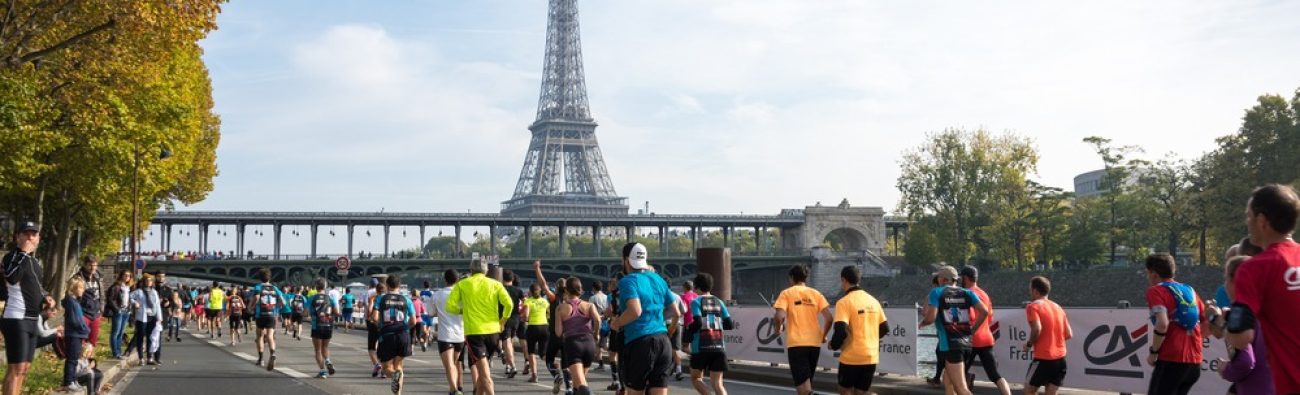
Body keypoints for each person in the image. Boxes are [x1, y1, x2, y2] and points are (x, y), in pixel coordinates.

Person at [1226, 184, 1300, 394]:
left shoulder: (1254, 268)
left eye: (1248, 216)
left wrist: (1224, 325)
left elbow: (1241, 337)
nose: (1247, 223)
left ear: (1262, 221)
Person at [610, 243, 680, 395]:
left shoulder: (628, 281)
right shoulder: (658, 279)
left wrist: (617, 323)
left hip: (639, 342)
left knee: (635, 391)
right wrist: (660, 320)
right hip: (663, 342)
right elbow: (676, 311)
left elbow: (635, 311)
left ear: (626, 260)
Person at [446, 258, 513, 395]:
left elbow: (450, 306)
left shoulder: (463, 284)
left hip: (475, 333)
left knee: (486, 376)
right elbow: (509, 305)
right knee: (483, 372)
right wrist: (502, 321)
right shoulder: (495, 284)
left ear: (471, 270)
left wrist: (462, 311)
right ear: (486, 270)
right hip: (494, 332)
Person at [1144, 253, 1207, 395]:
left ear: (1153, 274)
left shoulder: (1156, 291)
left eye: (1147, 274)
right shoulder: (1189, 290)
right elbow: (1207, 321)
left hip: (1171, 359)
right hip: (1194, 363)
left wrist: (1154, 352)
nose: (1147, 278)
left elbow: (1162, 323)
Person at [2, 221, 53, 395]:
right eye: (26, 234)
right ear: (18, 237)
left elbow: (36, 286)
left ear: (38, 239)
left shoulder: (35, 262)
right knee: (16, 369)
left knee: (24, 369)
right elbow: (11, 277)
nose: (30, 237)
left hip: (33, 319)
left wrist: (46, 296)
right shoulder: (12, 257)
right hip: (16, 318)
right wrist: (23, 252)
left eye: (34, 234)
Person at [921, 265, 989, 395]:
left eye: (938, 277)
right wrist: (973, 330)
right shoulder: (967, 292)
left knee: (961, 388)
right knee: (948, 383)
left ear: (943, 279)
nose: (937, 279)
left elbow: (929, 316)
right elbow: (984, 311)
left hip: (950, 344)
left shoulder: (937, 292)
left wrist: (924, 322)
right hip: (966, 343)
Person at [1211, 256, 1274, 395]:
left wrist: (1225, 369)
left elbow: (1245, 362)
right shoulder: (1276, 309)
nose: (1224, 285)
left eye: (1226, 278)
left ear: (1236, 281)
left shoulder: (1239, 312)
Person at [772, 265, 832, 395]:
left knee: (803, 389)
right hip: (814, 344)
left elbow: (779, 316)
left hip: (797, 344)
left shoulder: (787, 293)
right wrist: (824, 335)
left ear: (792, 278)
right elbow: (829, 318)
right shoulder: (816, 294)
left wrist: (778, 329)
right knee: (806, 385)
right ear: (806, 278)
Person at [827, 266, 885, 395]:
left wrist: (833, 345)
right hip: (871, 356)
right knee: (861, 392)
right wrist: (870, 338)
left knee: (844, 390)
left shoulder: (844, 302)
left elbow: (841, 330)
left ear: (844, 280)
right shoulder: (874, 301)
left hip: (851, 357)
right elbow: (884, 329)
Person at [958, 266, 1011, 395]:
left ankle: (968, 381)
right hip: (986, 339)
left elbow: (968, 317)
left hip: (971, 340)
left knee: (958, 374)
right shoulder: (984, 294)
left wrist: (970, 330)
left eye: (961, 278)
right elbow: (990, 317)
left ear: (965, 278)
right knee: (995, 375)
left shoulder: (967, 294)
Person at [684, 273, 733, 395]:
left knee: (696, 378)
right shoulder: (719, 302)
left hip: (700, 347)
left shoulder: (696, 302)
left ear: (697, 287)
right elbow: (729, 324)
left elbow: (698, 321)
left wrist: (689, 330)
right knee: (718, 383)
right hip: (718, 346)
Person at [1023, 276, 1071, 395]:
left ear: (1035, 291)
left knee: (1029, 389)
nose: (1030, 292)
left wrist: (1029, 344)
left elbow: (1037, 328)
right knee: (1051, 392)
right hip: (1060, 359)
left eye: (1030, 289)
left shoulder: (1033, 306)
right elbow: (1069, 334)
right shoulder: (1058, 307)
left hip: (1044, 358)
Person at [556, 277, 601, 395]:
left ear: (566, 290)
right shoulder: (589, 305)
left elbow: (558, 332)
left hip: (573, 345)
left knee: (581, 385)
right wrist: (596, 334)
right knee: (577, 386)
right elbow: (598, 320)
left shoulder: (561, 308)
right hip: (589, 343)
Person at [372, 275, 416, 394]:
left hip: (387, 334)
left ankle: (394, 375)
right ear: (399, 285)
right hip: (403, 334)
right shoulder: (406, 299)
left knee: (387, 368)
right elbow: (413, 321)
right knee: (399, 365)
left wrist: (381, 327)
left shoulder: (380, 298)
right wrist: (405, 328)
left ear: (387, 285)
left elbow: (374, 317)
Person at [432, 269, 466, 395]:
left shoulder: (437, 295)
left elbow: (430, 313)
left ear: (445, 280)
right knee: (455, 363)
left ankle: (453, 389)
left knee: (450, 365)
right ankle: (456, 388)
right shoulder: (463, 295)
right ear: (457, 280)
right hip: (460, 336)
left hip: (445, 336)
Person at [252, 269, 289, 370]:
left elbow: (256, 297)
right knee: (270, 336)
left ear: (260, 277)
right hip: (272, 314)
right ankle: (273, 353)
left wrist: (250, 307)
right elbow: (283, 302)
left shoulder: (258, 287)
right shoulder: (275, 288)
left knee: (259, 336)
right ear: (269, 278)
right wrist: (277, 307)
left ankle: (261, 359)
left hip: (261, 315)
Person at [60, 277, 92, 393]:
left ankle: (72, 379)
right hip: (73, 334)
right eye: (80, 288)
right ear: (74, 288)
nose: (82, 290)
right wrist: (85, 329)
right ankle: (68, 381)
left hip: (77, 334)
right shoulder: (71, 302)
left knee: (74, 358)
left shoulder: (74, 301)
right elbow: (75, 321)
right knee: (72, 359)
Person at [71, 255, 104, 352]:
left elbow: (102, 294)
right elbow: (72, 294)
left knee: (92, 341)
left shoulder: (98, 277)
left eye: (95, 265)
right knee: (82, 340)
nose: (93, 268)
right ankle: (80, 362)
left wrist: (101, 308)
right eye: (90, 265)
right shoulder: (78, 277)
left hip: (96, 313)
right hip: (83, 313)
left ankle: (87, 362)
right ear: (85, 265)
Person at [129, 273, 161, 366]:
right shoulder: (139, 291)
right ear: (143, 281)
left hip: (152, 316)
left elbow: (157, 305)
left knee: (151, 337)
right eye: (147, 280)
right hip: (142, 317)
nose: (148, 282)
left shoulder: (154, 292)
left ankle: (149, 357)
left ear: (152, 282)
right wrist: (135, 303)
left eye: (150, 280)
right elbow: (129, 297)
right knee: (140, 336)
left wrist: (159, 318)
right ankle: (141, 358)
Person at [309, 278, 339, 378]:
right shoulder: (330, 298)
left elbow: (305, 312)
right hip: (328, 325)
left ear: (316, 287)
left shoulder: (312, 298)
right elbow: (337, 312)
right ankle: (328, 361)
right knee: (325, 347)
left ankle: (322, 371)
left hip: (316, 326)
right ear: (325, 287)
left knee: (317, 350)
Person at [523, 282, 551, 383]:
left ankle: (534, 375)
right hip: (544, 327)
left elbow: (525, 316)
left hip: (533, 327)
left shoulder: (528, 301)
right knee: (543, 353)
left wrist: (524, 319)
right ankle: (553, 365)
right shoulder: (545, 301)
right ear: (540, 291)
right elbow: (549, 313)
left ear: (530, 292)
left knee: (531, 352)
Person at [501, 271, 525, 378]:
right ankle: (508, 365)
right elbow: (526, 302)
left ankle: (513, 366)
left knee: (506, 343)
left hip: (504, 318)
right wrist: (523, 313)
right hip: (516, 319)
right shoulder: (518, 290)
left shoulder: (500, 289)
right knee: (509, 341)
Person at [106, 271, 132, 359]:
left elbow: (128, 299)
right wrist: (117, 309)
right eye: (125, 275)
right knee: (115, 332)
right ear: (121, 276)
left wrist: (129, 308)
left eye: (129, 276)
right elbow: (110, 299)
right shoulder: (116, 286)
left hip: (126, 311)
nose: (127, 277)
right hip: (118, 311)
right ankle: (115, 352)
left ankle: (119, 352)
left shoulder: (128, 287)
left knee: (121, 333)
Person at [675, 280, 697, 381]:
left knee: (684, 347)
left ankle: (696, 356)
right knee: (694, 344)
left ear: (684, 287)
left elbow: (682, 310)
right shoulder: (697, 296)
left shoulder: (683, 297)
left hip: (688, 323)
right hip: (697, 322)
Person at [587, 281, 610, 371]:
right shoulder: (607, 297)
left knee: (597, 344)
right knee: (603, 344)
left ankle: (601, 364)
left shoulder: (592, 298)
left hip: (596, 322)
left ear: (593, 288)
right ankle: (612, 357)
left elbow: (589, 312)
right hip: (606, 322)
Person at [409, 288, 428, 353]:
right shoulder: (420, 302)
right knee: (419, 336)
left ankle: (411, 350)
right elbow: (423, 311)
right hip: (419, 320)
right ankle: (422, 343)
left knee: (412, 335)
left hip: (411, 320)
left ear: (411, 294)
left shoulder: (409, 301)